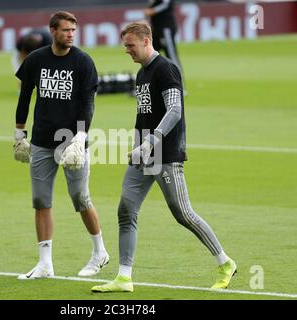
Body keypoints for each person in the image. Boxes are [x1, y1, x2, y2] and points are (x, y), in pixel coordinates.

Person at [91, 22, 236, 293]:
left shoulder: (165, 69)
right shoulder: (141, 74)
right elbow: (142, 117)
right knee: (126, 210)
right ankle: (124, 277)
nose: (127, 51)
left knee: (182, 213)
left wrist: (150, 143)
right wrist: (138, 147)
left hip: (165, 154)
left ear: (147, 41)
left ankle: (225, 262)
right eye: (125, 45)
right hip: (144, 154)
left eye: (131, 45)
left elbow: (174, 110)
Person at [13, 11, 109, 280]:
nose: (70, 34)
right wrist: (19, 132)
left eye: (73, 31)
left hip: (72, 141)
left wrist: (80, 137)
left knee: (80, 198)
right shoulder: (36, 59)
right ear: (52, 31)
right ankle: (45, 264)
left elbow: (88, 103)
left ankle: (99, 252)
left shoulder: (83, 62)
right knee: (40, 200)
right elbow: (24, 96)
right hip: (42, 141)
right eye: (65, 30)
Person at [144, 0, 185, 91]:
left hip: (166, 30)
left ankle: (181, 88)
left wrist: (153, 10)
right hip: (155, 31)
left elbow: (166, 4)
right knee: (148, 58)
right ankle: (146, 89)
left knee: (172, 59)